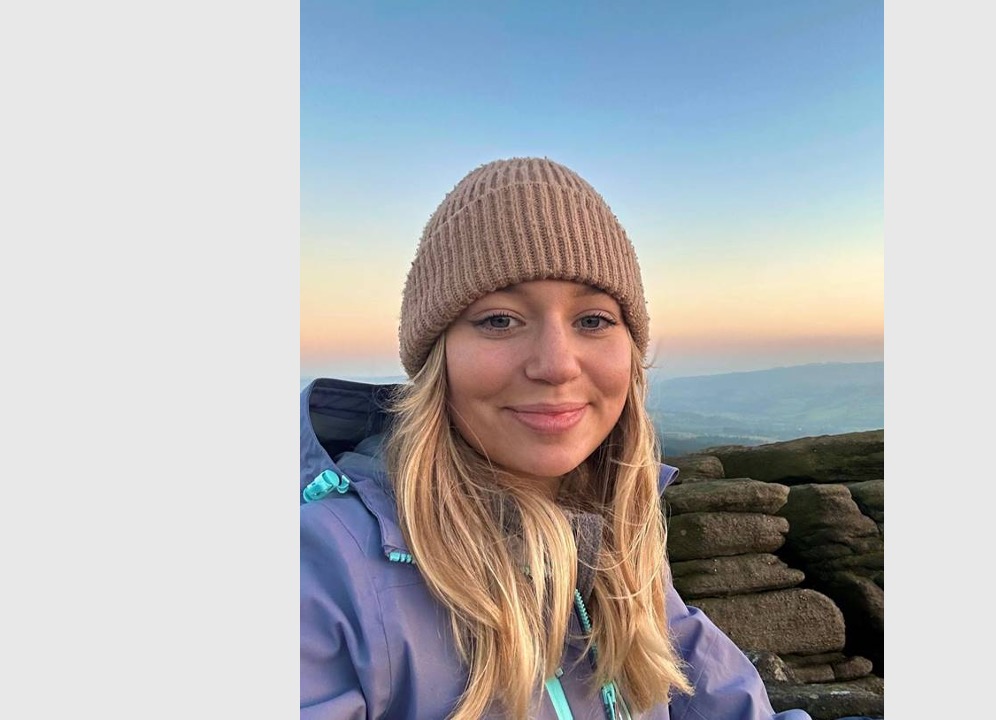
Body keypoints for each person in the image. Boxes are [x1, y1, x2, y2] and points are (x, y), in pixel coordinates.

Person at [300, 157, 813, 719]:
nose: (556, 365)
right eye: (499, 319)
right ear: (436, 357)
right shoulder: (321, 572)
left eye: (593, 320)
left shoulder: (618, 532)